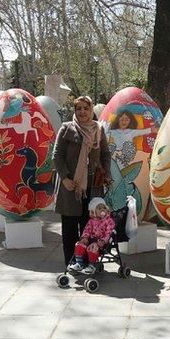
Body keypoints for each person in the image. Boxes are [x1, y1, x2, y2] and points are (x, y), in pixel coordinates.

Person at [53, 95, 111, 267]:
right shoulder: (66, 129)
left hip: (93, 187)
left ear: (91, 110)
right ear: (75, 111)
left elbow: (105, 155)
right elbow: (57, 156)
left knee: (91, 226)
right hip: (71, 186)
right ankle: (71, 262)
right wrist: (64, 178)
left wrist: (106, 173)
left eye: (86, 108)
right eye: (79, 108)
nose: (82, 112)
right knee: (70, 227)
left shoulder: (98, 130)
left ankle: (88, 261)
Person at [69, 197, 115, 274]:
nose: (102, 210)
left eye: (93, 212)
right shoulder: (91, 221)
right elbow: (87, 229)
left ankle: (92, 265)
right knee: (79, 244)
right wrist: (85, 237)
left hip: (101, 242)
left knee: (93, 247)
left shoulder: (109, 221)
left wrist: (103, 240)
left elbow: (109, 232)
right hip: (90, 240)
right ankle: (79, 263)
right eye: (90, 212)